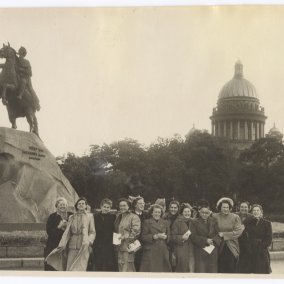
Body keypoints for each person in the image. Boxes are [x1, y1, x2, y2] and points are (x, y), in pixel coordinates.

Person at [46, 197, 96, 271]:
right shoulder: (71, 217)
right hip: (72, 246)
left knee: (81, 267)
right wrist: (62, 244)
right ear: (76, 206)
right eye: (79, 203)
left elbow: (92, 232)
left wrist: (89, 241)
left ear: (86, 206)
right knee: (69, 268)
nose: (81, 205)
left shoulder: (90, 216)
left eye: (83, 203)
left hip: (84, 245)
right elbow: (67, 232)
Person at [213, 197, 244, 273]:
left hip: (231, 245)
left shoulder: (235, 217)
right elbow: (211, 230)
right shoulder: (214, 216)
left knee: (231, 267)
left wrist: (224, 234)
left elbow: (238, 232)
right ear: (220, 208)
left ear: (230, 208)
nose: (225, 209)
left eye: (227, 207)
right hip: (218, 245)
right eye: (224, 207)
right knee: (219, 268)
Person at [139, 204, 172, 272]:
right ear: (152, 213)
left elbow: (170, 236)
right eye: (155, 212)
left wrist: (166, 237)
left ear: (161, 213)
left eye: (159, 212)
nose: (157, 214)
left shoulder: (165, 222)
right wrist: (154, 236)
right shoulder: (146, 222)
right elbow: (143, 236)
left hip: (163, 250)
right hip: (151, 251)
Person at [190, 200, 220, 273]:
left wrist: (213, 241)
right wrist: (205, 240)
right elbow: (193, 236)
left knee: (212, 271)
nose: (204, 214)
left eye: (206, 213)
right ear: (199, 212)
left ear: (209, 213)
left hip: (212, 250)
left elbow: (218, 234)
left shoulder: (214, 221)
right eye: (202, 212)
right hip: (200, 250)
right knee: (201, 271)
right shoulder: (194, 222)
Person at [44, 197, 73, 271]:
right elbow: (49, 232)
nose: (62, 206)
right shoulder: (52, 217)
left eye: (64, 204)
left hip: (67, 245)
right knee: (52, 267)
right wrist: (59, 226)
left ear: (67, 206)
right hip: (54, 245)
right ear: (56, 206)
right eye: (60, 204)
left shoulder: (71, 216)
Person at [114, 198, 141, 272]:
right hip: (119, 246)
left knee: (128, 267)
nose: (122, 207)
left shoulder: (134, 217)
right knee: (121, 266)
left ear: (128, 206)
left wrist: (125, 237)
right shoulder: (118, 216)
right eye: (120, 205)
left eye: (124, 205)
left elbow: (136, 231)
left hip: (128, 246)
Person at [245, 204, 272, 274]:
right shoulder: (248, 223)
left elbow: (269, 239)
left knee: (262, 271)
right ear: (251, 212)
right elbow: (245, 237)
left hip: (262, 251)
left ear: (261, 212)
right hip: (250, 250)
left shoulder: (267, 223)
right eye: (254, 210)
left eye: (257, 210)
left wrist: (261, 247)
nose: (255, 212)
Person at [92, 198, 116, 271]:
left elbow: (115, 230)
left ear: (110, 208)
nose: (106, 209)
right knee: (98, 262)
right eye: (104, 207)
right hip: (97, 243)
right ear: (101, 207)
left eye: (108, 207)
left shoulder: (113, 217)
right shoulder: (95, 216)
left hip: (109, 243)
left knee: (109, 263)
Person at [171, 203, 195, 272]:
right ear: (182, 213)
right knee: (182, 269)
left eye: (188, 212)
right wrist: (181, 237)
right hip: (181, 249)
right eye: (185, 212)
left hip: (192, 249)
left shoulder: (194, 222)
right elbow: (172, 236)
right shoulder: (177, 222)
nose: (187, 213)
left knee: (191, 269)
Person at [17, 46, 40, 111]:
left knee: (24, 82)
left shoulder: (27, 62)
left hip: (25, 78)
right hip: (17, 77)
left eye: (20, 51)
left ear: (23, 53)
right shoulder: (16, 60)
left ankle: (36, 103)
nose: (19, 52)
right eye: (19, 51)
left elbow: (30, 73)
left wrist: (21, 70)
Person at [236, 201, 255, 273]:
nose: (243, 208)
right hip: (236, 240)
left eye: (245, 207)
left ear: (249, 208)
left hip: (247, 242)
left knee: (247, 261)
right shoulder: (235, 215)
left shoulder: (252, 217)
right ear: (239, 208)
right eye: (242, 207)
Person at [163, 200, 180, 270]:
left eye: (175, 208)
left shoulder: (180, 218)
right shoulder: (165, 218)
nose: (173, 209)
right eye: (172, 207)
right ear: (169, 208)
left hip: (177, 243)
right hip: (168, 243)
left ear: (178, 208)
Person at [132, 197, 147, 271]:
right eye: (140, 203)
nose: (142, 205)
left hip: (145, 243)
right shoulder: (131, 215)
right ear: (135, 205)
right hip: (133, 243)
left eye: (143, 203)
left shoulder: (146, 215)